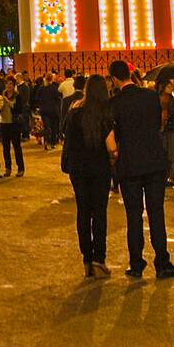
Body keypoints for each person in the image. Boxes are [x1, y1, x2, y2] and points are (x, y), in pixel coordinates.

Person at [109, 61, 174, 279]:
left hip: (129, 164)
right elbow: (158, 124)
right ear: (131, 75)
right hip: (153, 161)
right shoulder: (150, 97)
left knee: (133, 216)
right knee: (156, 213)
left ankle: (136, 264)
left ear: (114, 79)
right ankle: (162, 263)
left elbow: (117, 135)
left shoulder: (114, 103)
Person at [61, 73, 115, 278]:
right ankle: (98, 260)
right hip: (99, 169)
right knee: (99, 213)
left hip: (78, 169)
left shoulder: (74, 111)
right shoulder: (104, 113)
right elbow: (111, 147)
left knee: (83, 212)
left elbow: (67, 137)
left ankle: (86, 259)